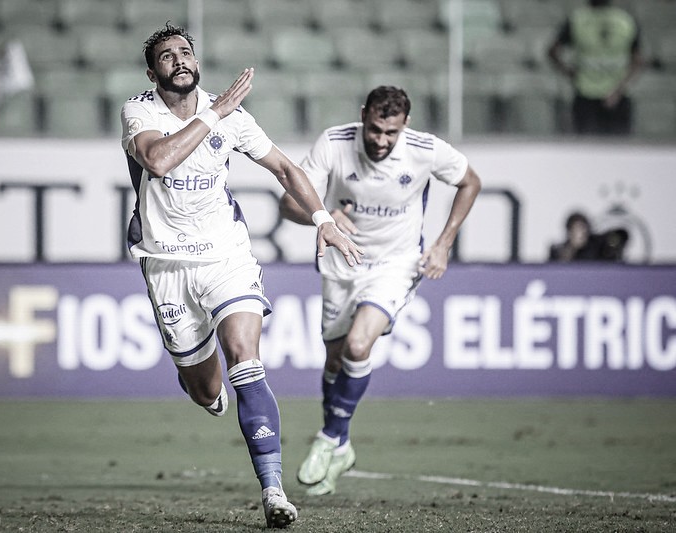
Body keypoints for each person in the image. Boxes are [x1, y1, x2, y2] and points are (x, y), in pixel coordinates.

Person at [119, 23, 362, 528]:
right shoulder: (140, 111)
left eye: (186, 52)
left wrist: (323, 219)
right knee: (205, 390)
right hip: (166, 265)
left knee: (245, 360)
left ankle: (274, 492)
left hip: (226, 256)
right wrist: (215, 113)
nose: (180, 61)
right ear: (152, 72)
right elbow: (158, 161)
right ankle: (209, 392)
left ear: (197, 62)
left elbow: (286, 169)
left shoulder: (230, 114)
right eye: (167, 57)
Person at [279, 86, 482, 495]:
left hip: (396, 263)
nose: (381, 140)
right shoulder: (334, 143)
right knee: (334, 360)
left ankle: (328, 439)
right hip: (341, 261)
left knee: (357, 345)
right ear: (363, 117)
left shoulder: (425, 150)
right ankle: (342, 444)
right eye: (374, 130)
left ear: (405, 125)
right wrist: (323, 217)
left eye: (390, 132)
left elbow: (471, 183)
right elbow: (287, 204)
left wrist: (443, 244)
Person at [547, 0, 644, 135]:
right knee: (620, 150)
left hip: (586, 91)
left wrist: (569, 72)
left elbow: (552, 52)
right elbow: (637, 61)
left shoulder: (577, 19)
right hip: (616, 94)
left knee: (585, 150)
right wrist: (620, 89)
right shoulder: (626, 20)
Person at [548, 211, 629, 261]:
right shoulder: (558, 250)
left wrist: (611, 243)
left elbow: (621, 235)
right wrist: (572, 250)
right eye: (577, 229)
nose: (582, 233)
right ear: (570, 231)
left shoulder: (596, 245)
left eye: (584, 229)